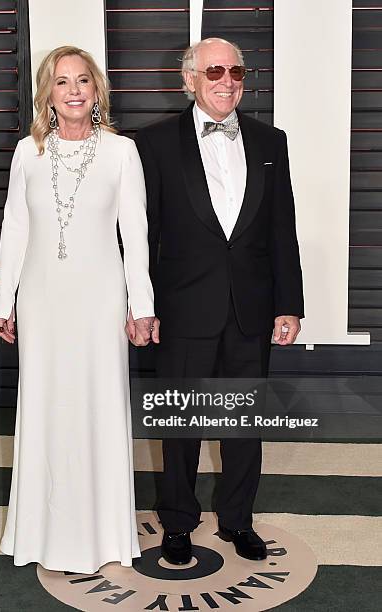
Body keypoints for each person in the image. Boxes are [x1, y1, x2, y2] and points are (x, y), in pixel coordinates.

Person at [134, 38, 304, 565]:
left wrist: (289, 303)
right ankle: (179, 523)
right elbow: (143, 232)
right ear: (189, 80)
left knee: (243, 426)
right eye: (214, 72)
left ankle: (237, 520)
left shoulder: (270, 140)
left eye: (236, 71)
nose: (227, 80)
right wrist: (142, 303)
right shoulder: (155, 144)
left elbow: (282, 230)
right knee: (181, 427)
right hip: (183, 310)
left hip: (251, 309)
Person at [0, 45, 159, 574]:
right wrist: (4, 299)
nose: (73, 91)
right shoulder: (27, 153)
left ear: (96, 90)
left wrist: (142, 306)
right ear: (48, 92)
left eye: (82, 81)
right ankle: (41, 534)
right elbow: (15, 227)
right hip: (41, 299)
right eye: (62, 82)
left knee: (98, 408)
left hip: (100, 301)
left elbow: (136, 235)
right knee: (44, 408)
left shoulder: (120, 152)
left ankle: (105, 537)